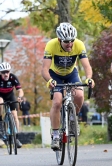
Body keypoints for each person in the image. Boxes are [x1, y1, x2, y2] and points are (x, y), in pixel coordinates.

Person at [41, 22, 95, 150]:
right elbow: (44, 69)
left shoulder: (79, 44)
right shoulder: (51, 45)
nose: (70, 44)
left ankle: (73, 119)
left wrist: (88, 78)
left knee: (80, 95)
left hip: (71, 73)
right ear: (59, 40)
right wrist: (49, 81)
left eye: (72, 41)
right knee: (57, 102)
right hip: (55, 75)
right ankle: (55, 135)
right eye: (66, 42)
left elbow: (86, 66)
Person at [0, 62, 24, 148]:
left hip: (10, 95)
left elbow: (20, 90)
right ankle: (0, 121)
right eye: (3, 72)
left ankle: (17, 138)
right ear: (0, 73)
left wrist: (19, 97)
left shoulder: (13, 77)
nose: (6, 74)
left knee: (15, 115)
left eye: (7, 72)